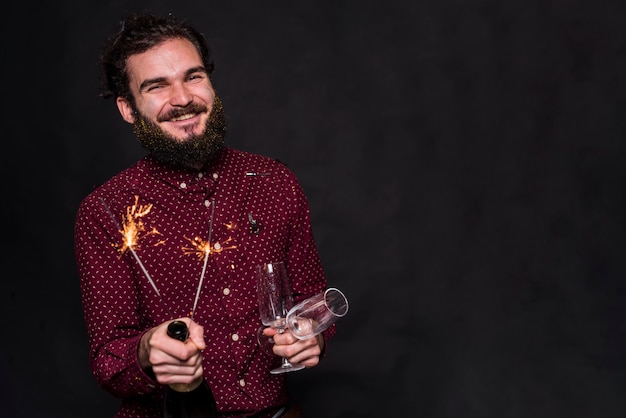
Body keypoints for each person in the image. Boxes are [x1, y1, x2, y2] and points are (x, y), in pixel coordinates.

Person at [74, 12, 334, 418]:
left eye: (192, 77)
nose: (182, 99)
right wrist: (147, 351)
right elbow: (109, 362)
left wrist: (310, 335)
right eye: (157, 86)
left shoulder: (275, 183)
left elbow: (313, 304)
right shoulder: (105, 211)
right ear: (128, 108)